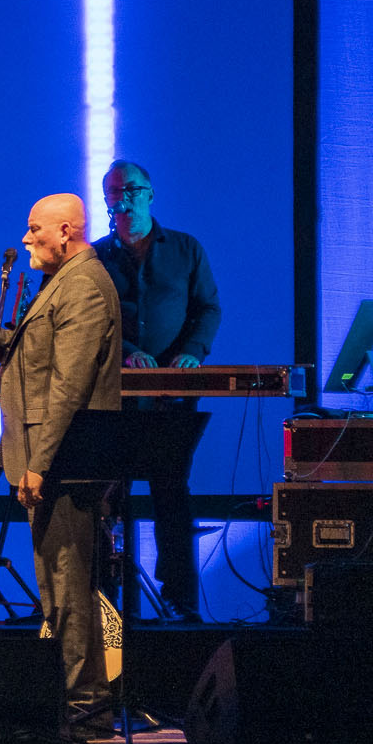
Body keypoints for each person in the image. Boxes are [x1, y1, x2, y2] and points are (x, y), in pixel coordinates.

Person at [0, 194, 121, 731]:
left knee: (69, 581)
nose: (27, 237)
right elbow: (24, 354)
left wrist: (41, 463)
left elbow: (69, 386)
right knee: (56, 584)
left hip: (65, 461)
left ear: (66, 231)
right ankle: (71, 700)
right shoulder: (63, 283)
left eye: (36, 229)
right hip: (47, 457)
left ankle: (87, 705)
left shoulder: (84, 285)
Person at [93, 159, 221, 621]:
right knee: (108, 497)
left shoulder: (185, 249)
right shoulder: (95, 257)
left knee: (171, 493)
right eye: (112, 192)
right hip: (113, 397)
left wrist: (192, 353)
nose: (121, 197)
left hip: (172, 398)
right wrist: (127, 350)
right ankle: (106, 603)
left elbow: (207, 309)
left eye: (129, 189)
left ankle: (180, 601)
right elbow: (92, 321)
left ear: (149, 193)